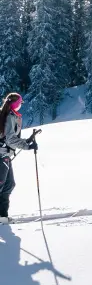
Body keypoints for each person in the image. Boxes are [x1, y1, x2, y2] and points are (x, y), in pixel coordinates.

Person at [0, 93, 38, 224]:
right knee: (1, 185)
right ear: (16, 104)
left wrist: (26, 142)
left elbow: (9, 137)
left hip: (5, 155)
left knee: (9, 184)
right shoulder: (9, 116)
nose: (21, 105)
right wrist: (26, 146)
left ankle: (2, 217)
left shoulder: (6, 114)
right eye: (20, 103)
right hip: (1, 155)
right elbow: (10, 139)